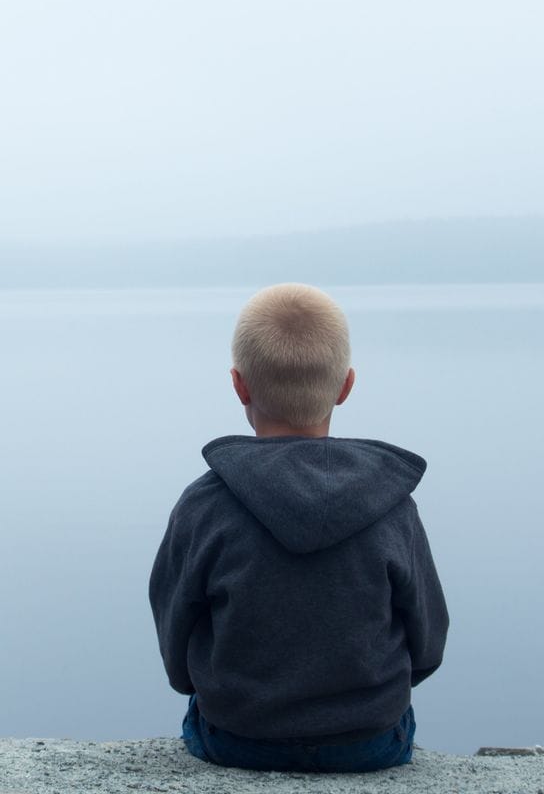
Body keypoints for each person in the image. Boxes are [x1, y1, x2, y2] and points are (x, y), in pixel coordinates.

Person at [149, 283, 449, 772]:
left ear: (239, 385)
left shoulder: (204, 504)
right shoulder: (393, 505)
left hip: (238, 738)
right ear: (346, 385)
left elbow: (175, 632)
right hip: (369, 742)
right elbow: (428, 639)